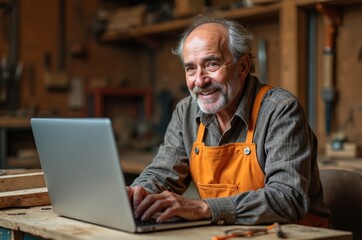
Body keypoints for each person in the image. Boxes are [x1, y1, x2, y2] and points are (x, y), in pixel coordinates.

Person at [127, 14, 331, 227]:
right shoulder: (185, 111)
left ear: (242, 67)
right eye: (190, 68)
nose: (199, 80)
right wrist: (137, 194)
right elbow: (162, 174)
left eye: (212, 64)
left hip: (299, 233)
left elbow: (288, 199)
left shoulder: (280, 110)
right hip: (233, 232)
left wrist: (204, 208)